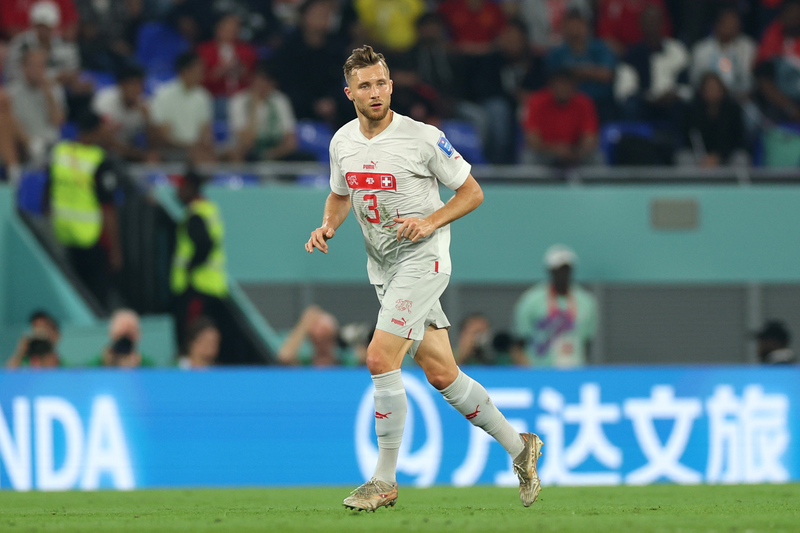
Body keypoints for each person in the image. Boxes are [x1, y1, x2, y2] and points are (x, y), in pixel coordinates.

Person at [305, 45, 542, 511]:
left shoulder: (423, 138)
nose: (375, 92)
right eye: (365, 85)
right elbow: (340, 195)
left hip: (423, 260)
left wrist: (430, 222)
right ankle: (521, 448)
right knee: (442, 374)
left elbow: (471, 192)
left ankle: (384, 480)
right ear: (349, 93)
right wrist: (328, 225)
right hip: (385, 268)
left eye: (381, 82)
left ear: (392, 85)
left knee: (379, 357)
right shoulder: (341, 142)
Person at [47, 110, 123, 309]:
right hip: (91, 238)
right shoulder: (99, 161)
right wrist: (115, 249)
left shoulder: (60, 153)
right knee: (96, 300)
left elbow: (47, 192)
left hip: (62, 235)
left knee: (70, 299)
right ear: (96, 131)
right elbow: (108, 209)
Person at [170, 170, 230, 361]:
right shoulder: (209, 209)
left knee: (194, 338)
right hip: (212, 286)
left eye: (180, 188)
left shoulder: (195, 214)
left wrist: (189, 268)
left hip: (198, 288)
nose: (177, 192)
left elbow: (205, 244)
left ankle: (190, 370)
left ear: (190, 188)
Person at [512, 245, 598, 368]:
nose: (563, 274)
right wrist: (528, 371)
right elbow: (519, 342)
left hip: (575, 369)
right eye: (558, 270)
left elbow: (587, 341)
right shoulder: (531, 301)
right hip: (541, 370)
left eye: (566, 270)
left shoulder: (586, 301)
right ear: (550, 271)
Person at [622, 5, 690, 122]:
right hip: (644, 104)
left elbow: (687, 88)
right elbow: (625, 89)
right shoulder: (631, 55)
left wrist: (674, 94)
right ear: (640, 25)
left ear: (662, 24)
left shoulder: (677, 50)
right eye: (648, 23)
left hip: (672, 103)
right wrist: (649, 98)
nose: (652, 27)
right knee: (631, 106)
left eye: (655, 22)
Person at [522, 69, 602, 167]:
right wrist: (556, 150)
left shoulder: (585, 103)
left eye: (566, 85)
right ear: (551, 86)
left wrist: (574, 151)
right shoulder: (536, 102)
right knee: (530, 157)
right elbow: (533, 140)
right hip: (545, 152)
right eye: (559, 84)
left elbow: (590, 138)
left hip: (575, 152)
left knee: (596, 157)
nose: (562, 88)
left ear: (574, 86)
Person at [546, 9, 616, 121]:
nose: (574, 31)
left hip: (600, 101)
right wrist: (592, 72)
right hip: (568, 103)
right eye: (570, 26)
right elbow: (555, 80)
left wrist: (574, 72)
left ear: (586, 27)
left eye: (578, 25)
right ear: (563, 29)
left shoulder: (600, 48)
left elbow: (606, 75)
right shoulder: (556, 53)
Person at [149, 52, 215, 163]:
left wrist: (203, 146)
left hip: (195, 150)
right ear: (185, 71)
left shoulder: (203, 96)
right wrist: (189, 148)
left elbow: (205, 130)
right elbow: (163, 135)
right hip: (171, 150)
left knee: (211, 157)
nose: (201, 74)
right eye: (198, 70)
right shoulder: (163, 95)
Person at [228, 63, 301, 162]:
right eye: (261, 80)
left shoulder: (280, 100)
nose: (264, 84)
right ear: (253, 80)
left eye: (268, 81)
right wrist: (254, 107)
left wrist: (267, 155)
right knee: (236, 153)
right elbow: (246, 141)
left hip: (275, 153)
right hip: (248, 153)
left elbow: (290, 141)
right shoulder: (238, 101)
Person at [7, 47, 67, 167]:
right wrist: (29, 142)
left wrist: (48, 94)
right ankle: (15, 171)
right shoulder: (12, 92)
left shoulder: (54, 90)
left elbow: (58, 122)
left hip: (50, 144)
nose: (37, 70)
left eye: (41, 66)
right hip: (24, 145)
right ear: (24, 68)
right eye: (33, 66)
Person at [678, 72, 749, 168]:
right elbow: (689, 138)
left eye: (715, 88)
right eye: (708, 88)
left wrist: (718, 156)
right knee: (683, 157)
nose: (712, 92)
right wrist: (703, 157)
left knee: (741, 158)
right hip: (699, 156)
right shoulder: (692, 111)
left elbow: (736, 140)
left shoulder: (733, 111)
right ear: (702, 91)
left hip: (726, 156)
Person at [689, 8, 756, 101]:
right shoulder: (702, 49)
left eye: (735, 23)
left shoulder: (748, 47)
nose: (731, 26)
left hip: (742, 99)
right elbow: (695, 80)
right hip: (710, 100)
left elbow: (750, 78)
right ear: (717, 25)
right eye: (728, 22)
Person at [91, 65, 153, 162]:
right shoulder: (105, 101)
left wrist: (148, 119)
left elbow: (153, 143)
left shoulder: (144, 105)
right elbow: (102, 137)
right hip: (102, 153)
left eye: (140, 85)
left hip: (129, 154)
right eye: (133, 84)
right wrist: (138, 155)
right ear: (121, 85)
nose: (137, 89)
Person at [197, 12, 258, 99]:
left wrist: (242, 71)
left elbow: (254, 77)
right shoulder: (204, 50)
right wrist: (221, 71)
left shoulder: (247, 51)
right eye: (227, 27)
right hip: (214, 95)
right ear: (218, 28)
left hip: (242, 96)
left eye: (234, 27)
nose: (231, 30)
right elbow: (199, 79)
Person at [277, 305, 358, 366]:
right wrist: (305, 322)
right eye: (316, 338)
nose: (322, 343)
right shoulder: (305, 362)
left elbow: (363, 356)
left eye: (326, 336)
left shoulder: (345, 361)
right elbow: (284, 357)